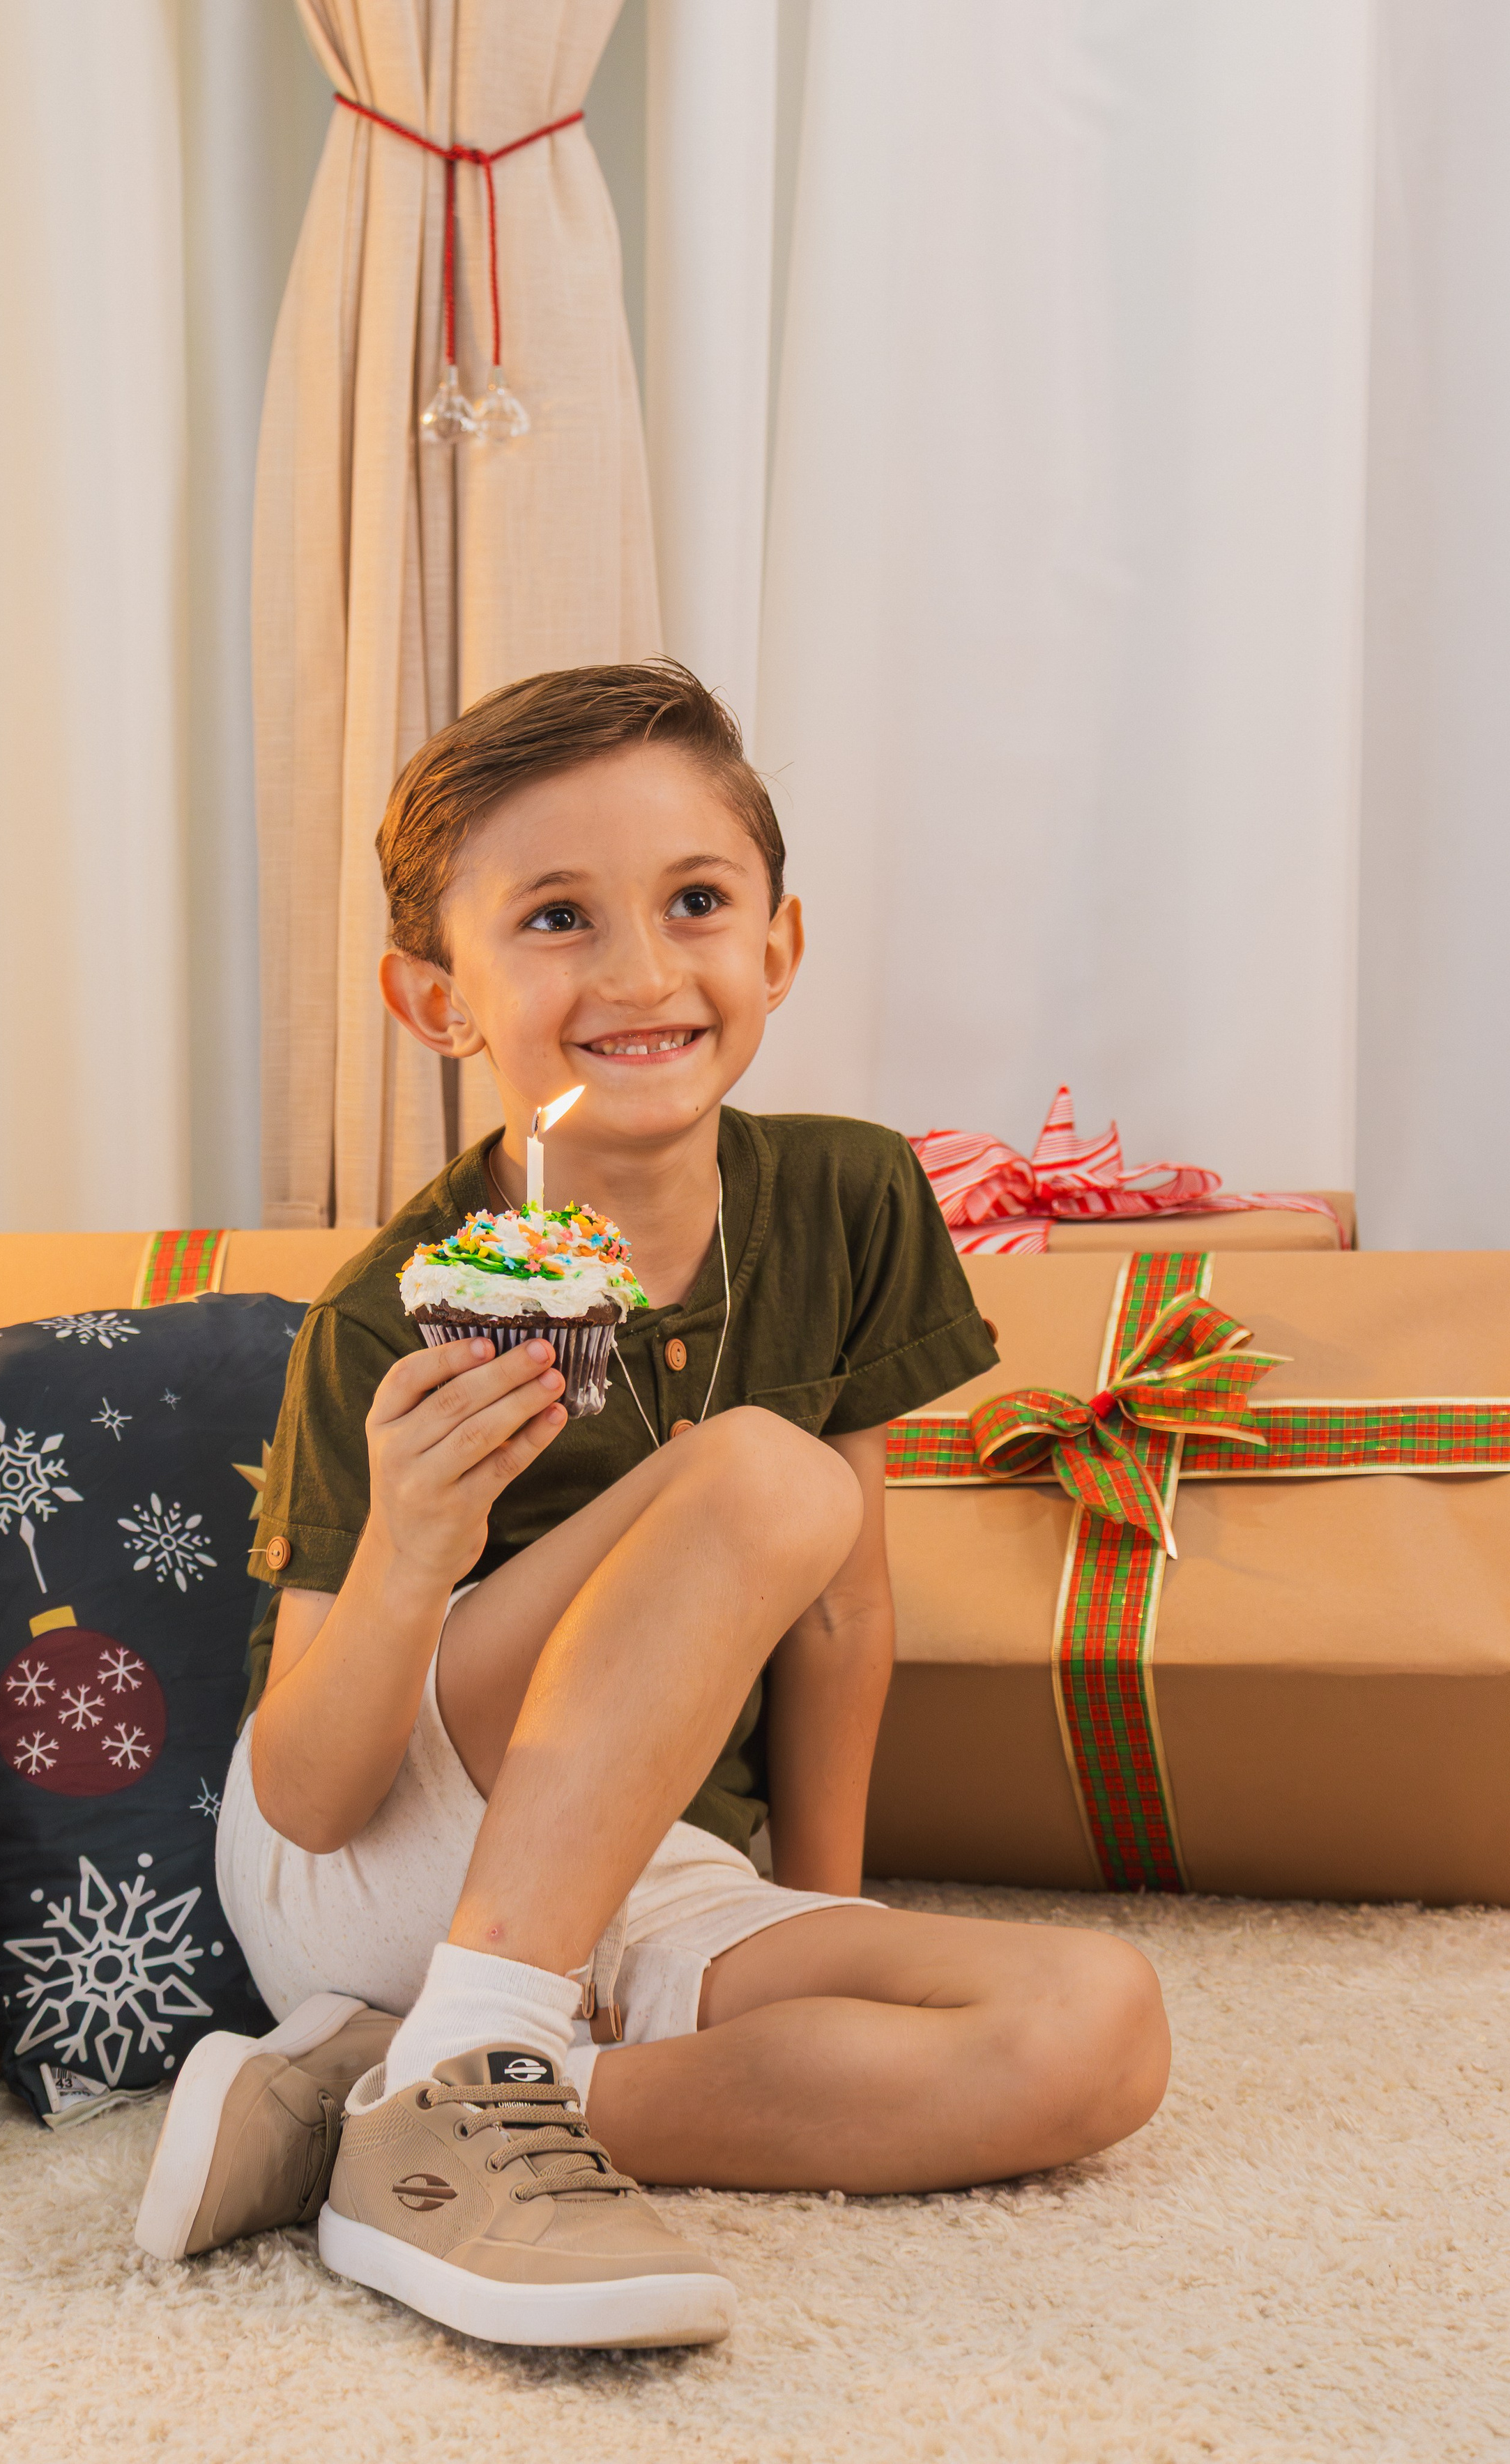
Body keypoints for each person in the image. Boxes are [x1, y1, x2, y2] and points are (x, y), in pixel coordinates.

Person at [133, 662, 1170, 2348]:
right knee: (762, 1471)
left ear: (776, 946)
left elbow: (839, 1617)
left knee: (1089, 2029)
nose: (638, 970)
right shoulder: (395, 1311)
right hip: (379, 1843)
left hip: (644, 1871)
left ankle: (385, 2110)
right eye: (553, 917)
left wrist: (826, 1909)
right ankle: (468, 2050)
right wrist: (409, 1551)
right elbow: (311, 1802)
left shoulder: (841, 1196)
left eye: (694, 901)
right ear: (433, 1000)